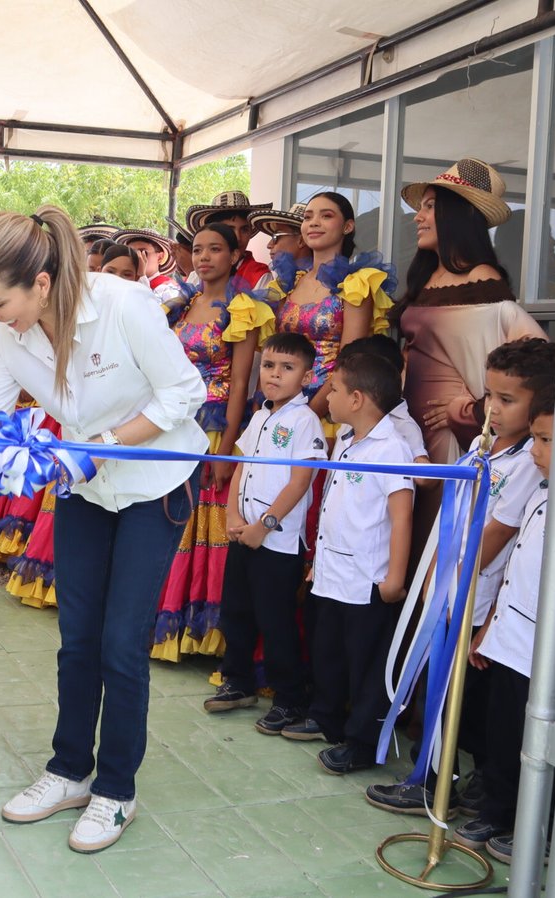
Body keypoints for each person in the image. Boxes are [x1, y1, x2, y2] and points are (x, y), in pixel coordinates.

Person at [0, 206, 207, 853]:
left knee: (120, 645)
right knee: (76, 641)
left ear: (41, 284)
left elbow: (183, 396)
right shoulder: (12, 340)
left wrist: (101, 445)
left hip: (153, 486)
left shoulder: (126, 305)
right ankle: (70, 770)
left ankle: (116, 790)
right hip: (82, 488)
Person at [365, 336, 555, 818]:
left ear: (543, 404)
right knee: (442, 697)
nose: (492, 408)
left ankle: (434, 785)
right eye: (488, 395)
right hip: (451, 596)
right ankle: (433, 778)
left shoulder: (530, 465)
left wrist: (448, 587)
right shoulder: (482, 447)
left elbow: (494, 535)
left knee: (453, 704)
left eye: (507, 400)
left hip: (476, 601)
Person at [453, 382, 555, 864]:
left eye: (547, 440)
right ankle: (499, 810)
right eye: (535, 438)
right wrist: (491, 626)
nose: (535, 450)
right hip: (513, 640)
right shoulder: (546, 491)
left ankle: (542, 828)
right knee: (504, 734)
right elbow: (517, 568)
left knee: (546, 743)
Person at [281, 353, 415, 775]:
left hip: (365, 580)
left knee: (365, 667)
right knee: (328, 651)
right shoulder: (345, 437)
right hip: (331, 573)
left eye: (334, 389)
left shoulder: (392, 446)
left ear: (356, 398)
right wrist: (317, 561)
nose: (328, 397)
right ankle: (327, 718)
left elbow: (401, 514)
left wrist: (395, 576)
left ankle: (361, 743)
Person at [152, 222, 274, 661]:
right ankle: (174, 626)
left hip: (218, 426)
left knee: (211, 526)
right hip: (177, 426)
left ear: (234, 255)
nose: (204, 257)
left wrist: (227, 448)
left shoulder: (243, 308)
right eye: (199, 249)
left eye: (216, 249)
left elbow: (242, 382)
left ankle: (212, 637)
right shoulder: (182, 305)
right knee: (174, 521)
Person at [395, 158, 546, 464]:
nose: (418, 217)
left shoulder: (482, 280)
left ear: (456, 215)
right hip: (408, 430)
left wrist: (474, 410)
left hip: (447, 437)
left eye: (429, 206)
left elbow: (538, 361)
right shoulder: (426, 278)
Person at [208, 333, 324, 725]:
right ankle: (237, 681)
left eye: (287, 368)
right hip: (245, 534)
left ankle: (289, 698)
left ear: (307, 376)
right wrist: (233, 515)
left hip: (277, 542)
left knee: (275, 621)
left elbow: (300, 482)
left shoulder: (305, 421)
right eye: (269, 366)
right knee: (236, 611)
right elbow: (243, 465)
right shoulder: (260, 415)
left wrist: (265, 525)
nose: (274, 375)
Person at [250, 192, 395, 425]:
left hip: (327, 413)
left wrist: (308, 415)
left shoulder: (356, 284)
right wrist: (262, 404)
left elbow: (349, 359)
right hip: (277, 408)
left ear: (347, 226)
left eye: (326, 216)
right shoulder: (287, 283)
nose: (314, 222)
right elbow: (273, 351)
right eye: (308, 217)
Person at [185, 190, 272, 292]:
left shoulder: (259, 276)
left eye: (244, 230)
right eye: (229, 229)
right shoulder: (196, 275)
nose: (238, 237)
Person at [248, 202, 310, 268]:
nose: (269, 245)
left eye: (276, 236)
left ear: (301, 241)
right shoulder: (282, 276)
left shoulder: (318, 277)